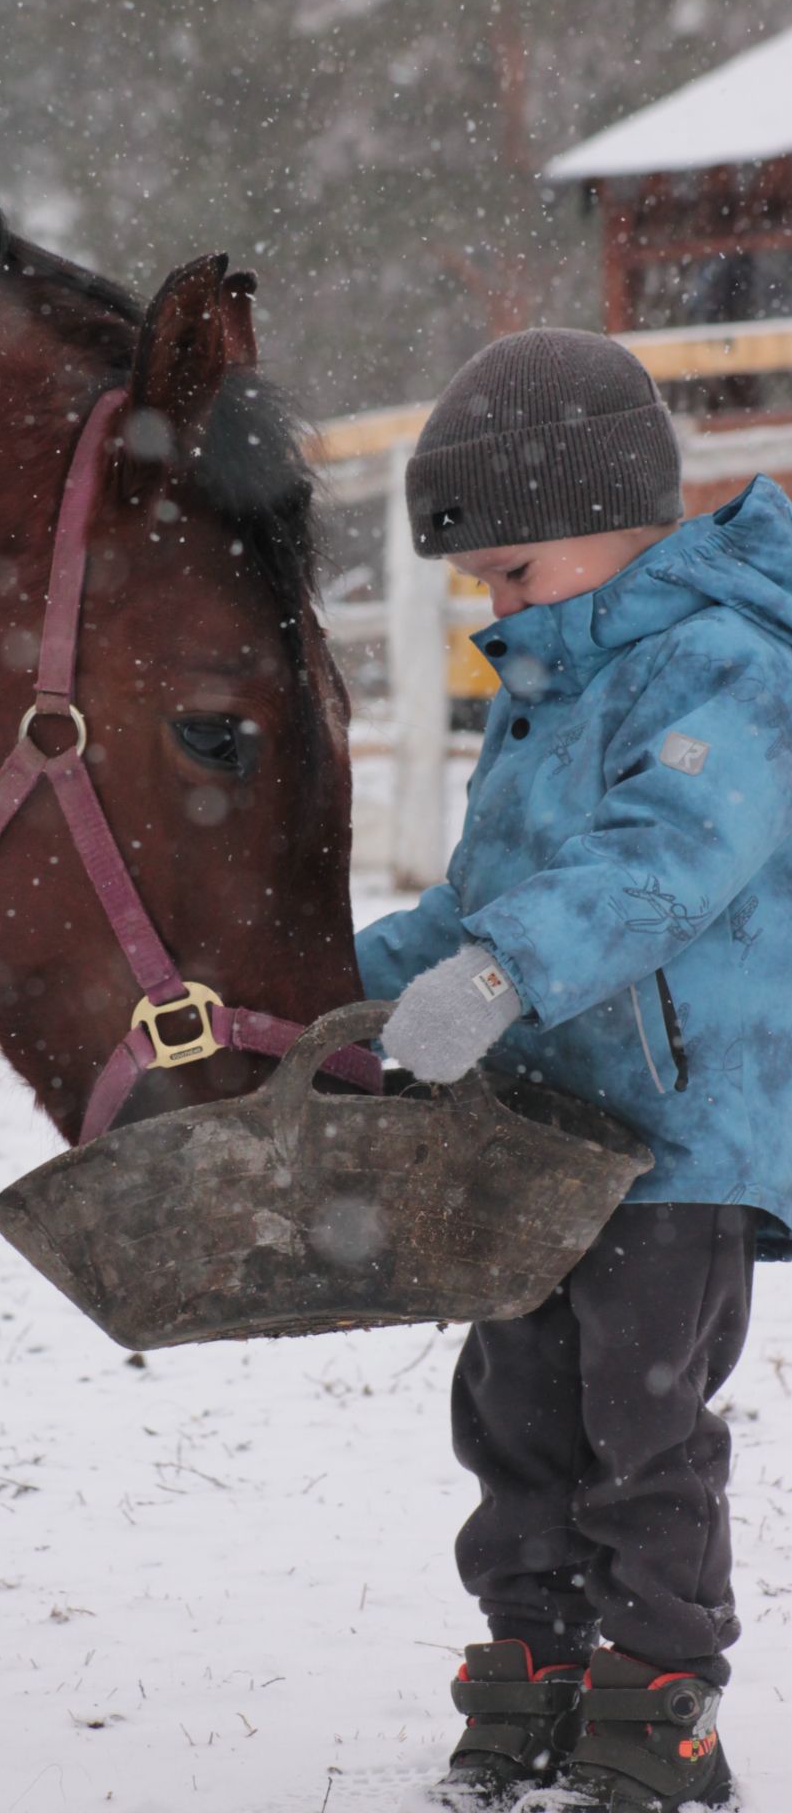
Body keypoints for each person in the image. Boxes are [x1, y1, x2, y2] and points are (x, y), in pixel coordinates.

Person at [355, 327, 792, 1812]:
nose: (496, 600)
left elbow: (661, 869)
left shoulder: (727, 667)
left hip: (676, 1139)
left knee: (641, 1421)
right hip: (533, 1129)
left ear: (616, 521)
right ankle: (530, 1662)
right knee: (516, 1412)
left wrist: (490, 978)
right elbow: (491, 894)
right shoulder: (549, 685)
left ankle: (659, 1692)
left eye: (512, 566)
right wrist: (340, 984)